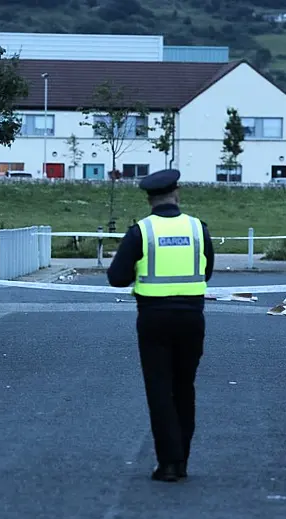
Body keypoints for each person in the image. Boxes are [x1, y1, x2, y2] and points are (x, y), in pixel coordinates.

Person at [107, 168, 214, 482]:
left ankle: (168, 463)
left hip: (153, 318)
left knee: (159, 390)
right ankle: (182, 461)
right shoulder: (198, 229)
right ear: (176, 192)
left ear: (149, 198)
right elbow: (206, 273)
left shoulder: (141, 231)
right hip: (192, 317)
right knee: (184, 388)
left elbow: (116, 278)